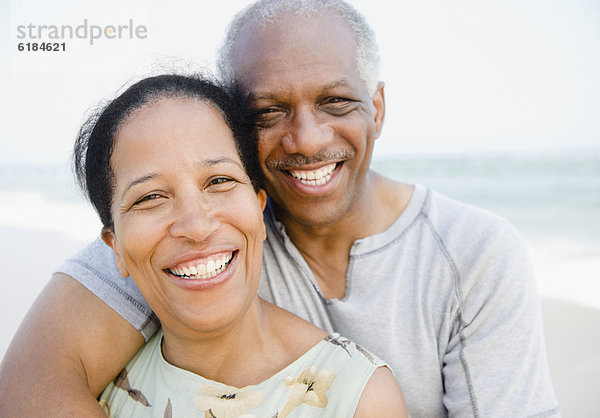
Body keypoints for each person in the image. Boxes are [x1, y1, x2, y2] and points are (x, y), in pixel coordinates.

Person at [0, 0, 559, 416]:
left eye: (336, 101)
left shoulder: (473, 254)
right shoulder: (206, 237)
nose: (309, 140)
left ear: (378, 108)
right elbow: (31, 382)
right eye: (269, 111)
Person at [75, 73, 405, 416]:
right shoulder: (90, 391)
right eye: (150, 197)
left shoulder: (357, 397)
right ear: (115, 248)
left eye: (219, 180)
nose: (197, 226)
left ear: (260, 208)